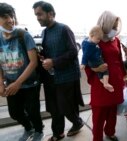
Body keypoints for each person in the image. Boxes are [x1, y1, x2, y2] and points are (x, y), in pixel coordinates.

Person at [33, 1, 84, 141]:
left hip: (67, 76)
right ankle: (58, 134)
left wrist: (54, 62)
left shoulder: (63, 29)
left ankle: (77, 122)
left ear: (51, 14)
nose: (37, 17)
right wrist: (43, 56)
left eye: (40, 14)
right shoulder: (44, 32)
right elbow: (49, 52)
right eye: (36, 15)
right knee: (54, 108)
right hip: (51, 77)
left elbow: (74, 51)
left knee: (66, 106)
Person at [0, 3, 44, 141]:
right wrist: (1, 83)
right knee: (14, 113)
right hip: (11, 83)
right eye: (4, 17)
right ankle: (28, 128)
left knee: (33, 111)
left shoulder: (23, 35)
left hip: (30, 83)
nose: (10, 20)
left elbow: (33, 62)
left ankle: (38, 130)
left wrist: (18, 83)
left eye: (11, 16)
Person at [84, 11, 126, 141]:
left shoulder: (116, 40)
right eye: (112, 26)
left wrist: (125, 76)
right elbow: (86, 61)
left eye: (115, 27)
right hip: (101, 82)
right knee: (99, 113)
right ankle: (97, 138)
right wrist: (95, 69)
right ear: (104, 24)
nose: (114, 30)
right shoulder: (93, 41)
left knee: (112, 110)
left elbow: (119, 59)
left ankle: (110, 131)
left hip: (116, 81)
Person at [81, 25, 114, 92]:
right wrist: (83, 63)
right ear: (91, 35)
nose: (99, 41)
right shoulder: (90, 45)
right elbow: (85, 55)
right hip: (96, 60)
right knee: (105, 70)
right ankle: (106, 83)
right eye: (98, 39)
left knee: (99, 73)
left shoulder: (86, 42)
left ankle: (104, 84)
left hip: (92, 63)